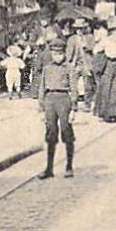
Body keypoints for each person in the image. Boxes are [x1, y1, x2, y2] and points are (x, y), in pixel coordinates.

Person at [36, 39, 76, 179]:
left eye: (60, 53)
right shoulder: (47, 69)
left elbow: (74, 88)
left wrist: (74, 108)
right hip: (50, 100)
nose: (57, 56)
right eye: (54, 53)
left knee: (66, 131)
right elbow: (42, 88)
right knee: (50, 133)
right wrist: (41, 108)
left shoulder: (69, 68)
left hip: (64, 99)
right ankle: (49, 168)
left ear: (64, 53)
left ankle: (69, 166)